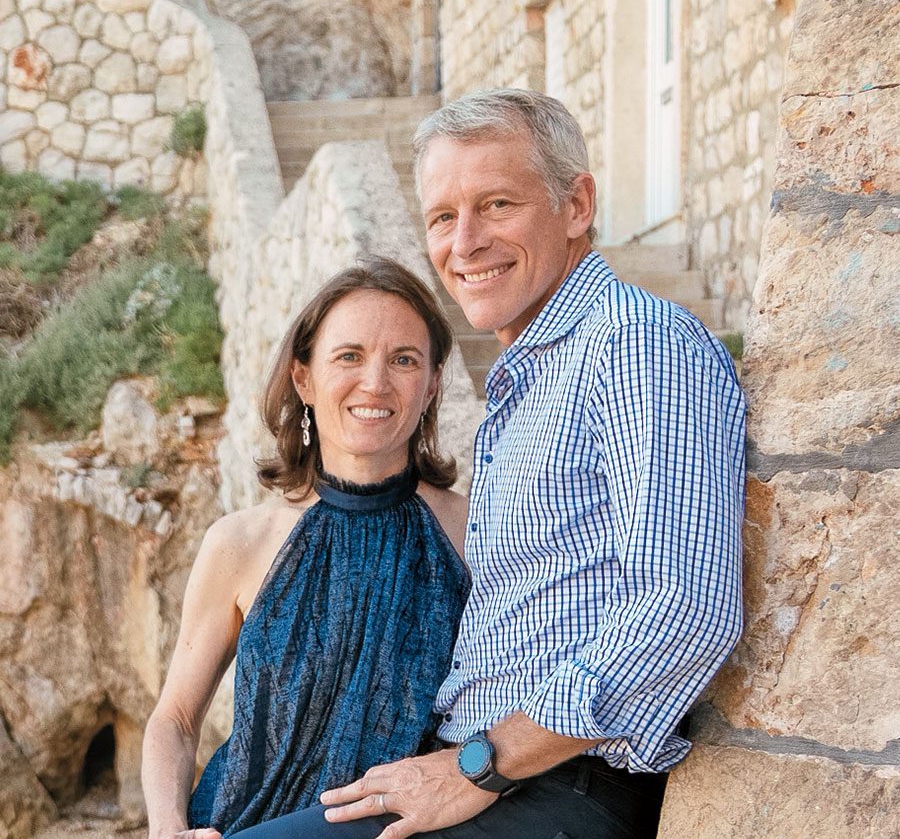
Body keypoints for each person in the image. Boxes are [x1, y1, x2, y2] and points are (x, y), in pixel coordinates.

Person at [242, 88, 746, 839]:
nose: (464, 242)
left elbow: (685, 608)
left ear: (576, 206)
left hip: (555, 785)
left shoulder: (636, 344)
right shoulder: (531, 376)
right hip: (493, 773)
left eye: (498, 205)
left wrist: (480, 763)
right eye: (443, 217)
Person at [140, 258, 471, 838]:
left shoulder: (473, 532)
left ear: (432, 383)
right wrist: (168, 829)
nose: (376, 382)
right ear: (304, 379)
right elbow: (175, 718)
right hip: (235, 825)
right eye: (349, 356)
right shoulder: (238, 543)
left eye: (404, 360)